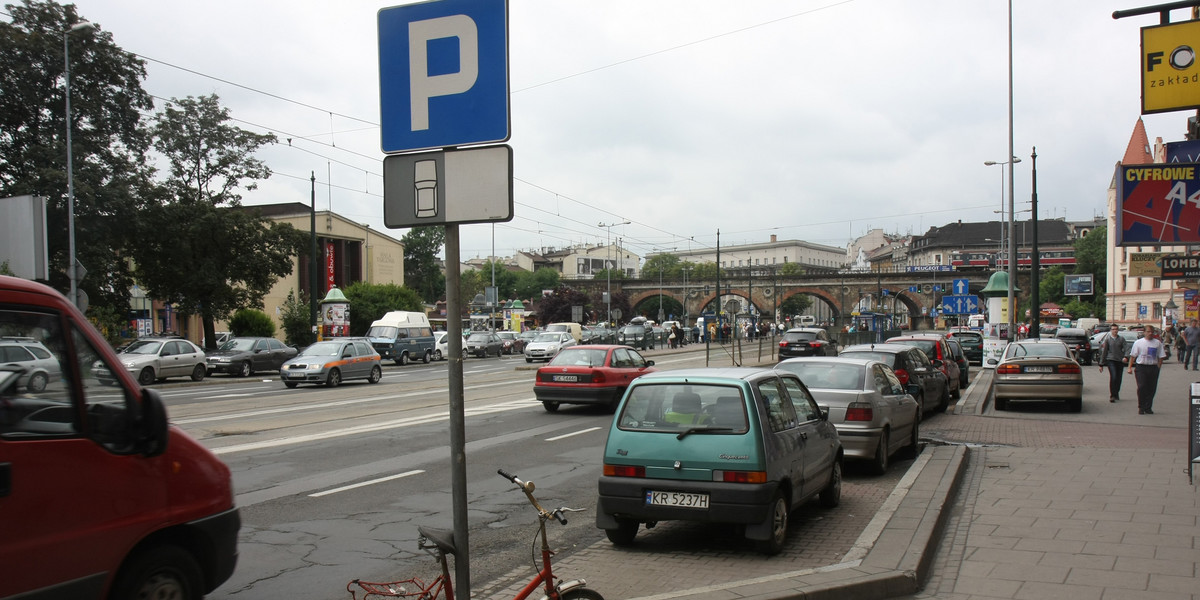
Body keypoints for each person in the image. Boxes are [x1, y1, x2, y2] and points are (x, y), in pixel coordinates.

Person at [1127, 324, 1164, 415]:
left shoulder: (1157, 343)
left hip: (1153, 367)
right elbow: (1133, 356)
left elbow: (1161, 356)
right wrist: (1129, 367)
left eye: (1152, 332)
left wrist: (1158, 366)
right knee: (1142, 386)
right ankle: (1141, 406)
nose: (1150, 333)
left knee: (1151, 388)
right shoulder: (1139, 343)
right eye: (1148, 331)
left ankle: (1148, 407)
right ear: (1144, 332)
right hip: (1141, 367)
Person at [1097, 324, 1127, 403]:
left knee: (1118, 378)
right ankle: (1112, 395)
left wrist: (1126, 357)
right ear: (1111, 330)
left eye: (1116, 329)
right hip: (1111, 360)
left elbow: (1127, 349)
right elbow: (1104, 352)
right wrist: (1101, 364)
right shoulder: (1108, 340)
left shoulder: (1121, 339)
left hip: (1120, 361)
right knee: (1113, 377)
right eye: (1113, 329)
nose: (1115, 331)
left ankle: (1116, 393)